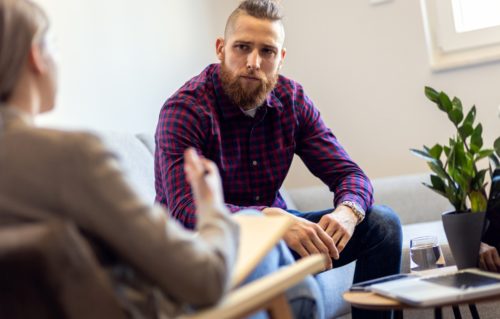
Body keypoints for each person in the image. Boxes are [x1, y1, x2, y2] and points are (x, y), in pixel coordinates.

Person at [0, 0, 321, 318]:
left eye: (267, 51)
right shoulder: (75, 157)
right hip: (161, 310)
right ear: (36, 57)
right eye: (55, 46)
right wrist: (212, 208)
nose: (254, 61)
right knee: (265, 238)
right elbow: (203, 279)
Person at [154, 0, 402, 318]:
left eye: (267, 51)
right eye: (242, 47)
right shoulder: (186, 110)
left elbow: (348, 174)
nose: (254, 62)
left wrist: (348, 212)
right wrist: (269, 221)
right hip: (208, 250)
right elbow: (187, 211)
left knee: (383, 224)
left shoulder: (292, 100)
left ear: (281, 58)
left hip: (278, 240)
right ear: (220, 48)